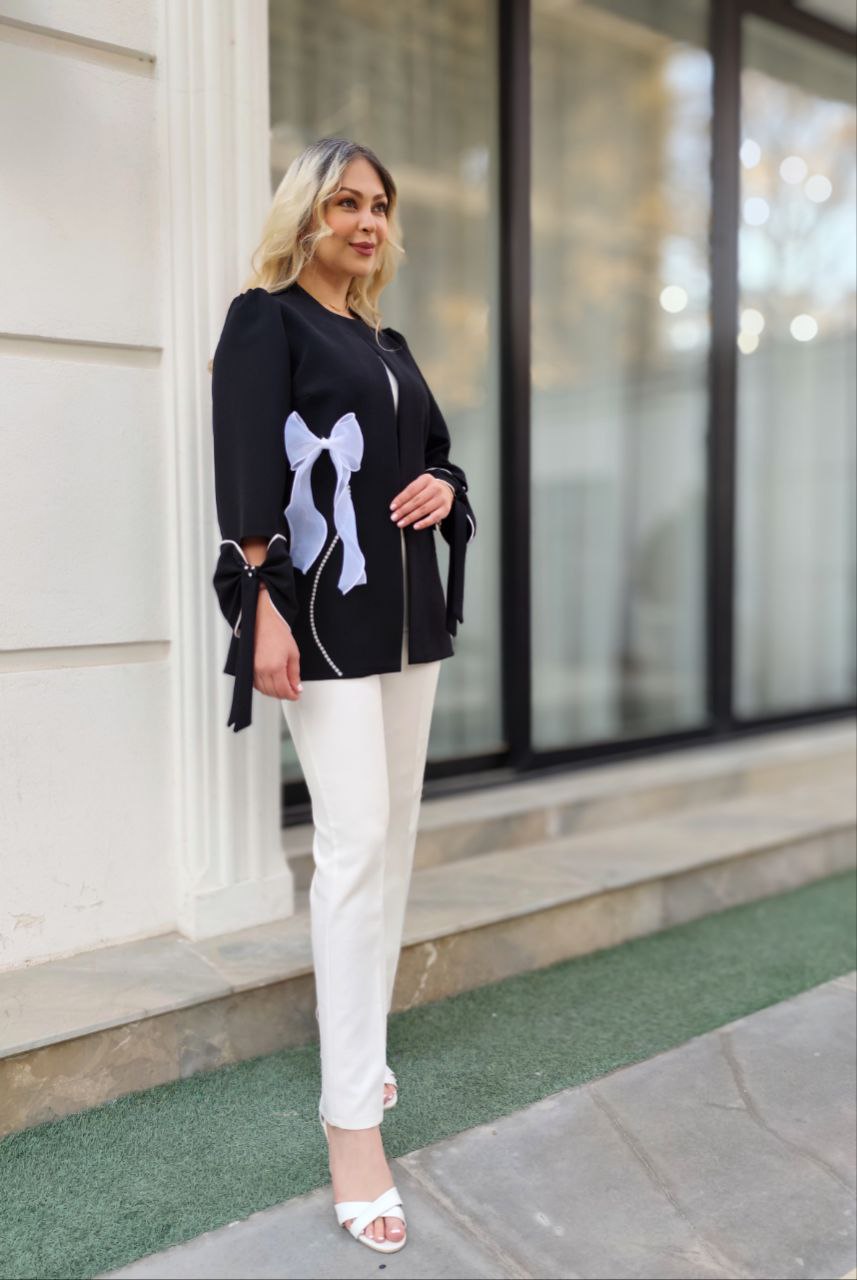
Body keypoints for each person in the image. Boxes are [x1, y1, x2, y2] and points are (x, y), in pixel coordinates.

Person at [209, 137, 476, 1256]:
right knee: (355, 846)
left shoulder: (386, 341)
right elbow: (246, 474)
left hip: (407, 622)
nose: (366, 222)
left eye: (379, 205)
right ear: (305, 215)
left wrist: (442, 484)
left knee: (391, 842)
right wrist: (260, 610)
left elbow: (436, 455)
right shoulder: (265, 321)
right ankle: (349, 1123)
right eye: (344, 204)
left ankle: (360, 1052)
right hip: (319, 618)